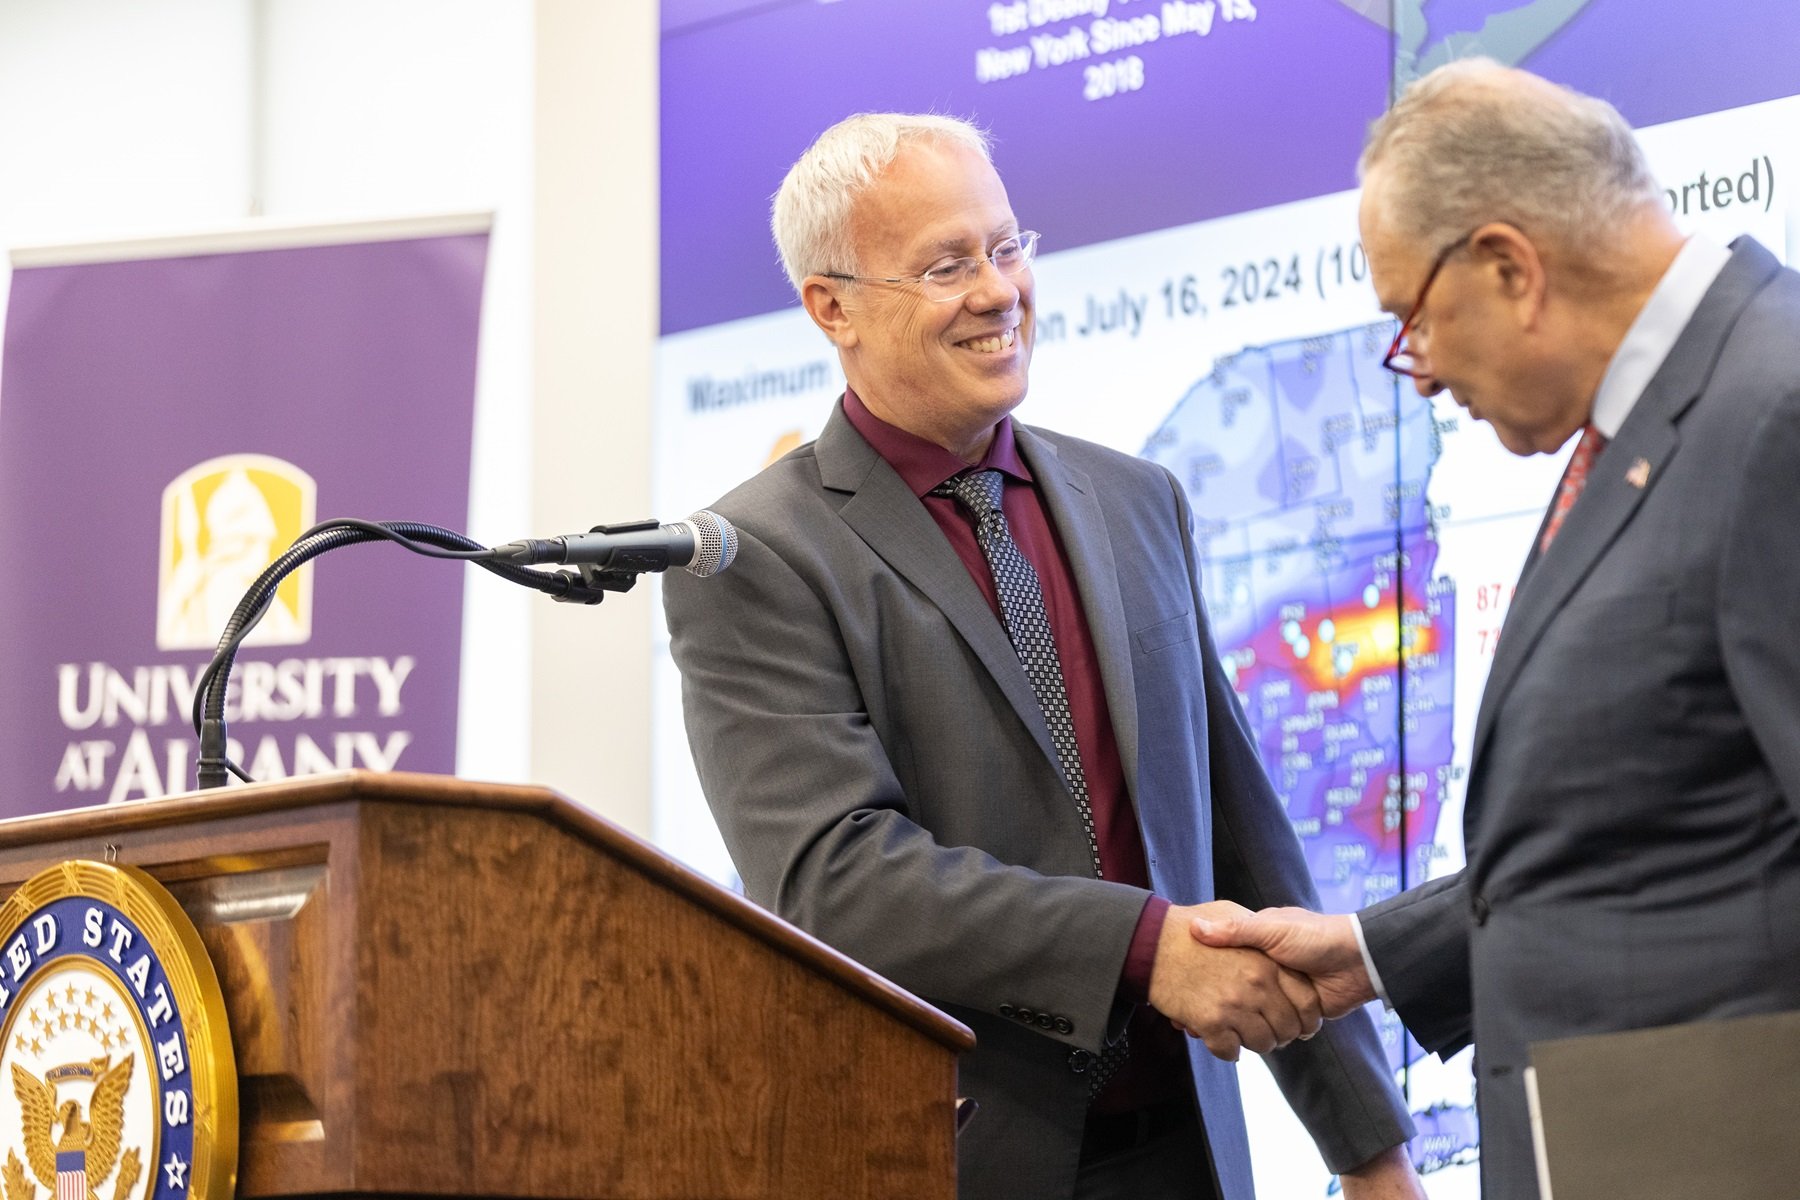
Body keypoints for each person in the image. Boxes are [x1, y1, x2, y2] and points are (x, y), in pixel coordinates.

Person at [663, 113, 1423, 1200]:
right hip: (949, 1161)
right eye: (945, 264)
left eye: (1007, 247)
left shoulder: (1137, 500)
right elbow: (836, 878)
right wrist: (1146, 946)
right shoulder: (752, 557)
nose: (995, 290)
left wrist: (1367, 1146)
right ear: (831, 307)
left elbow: (1239, 832)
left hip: (1190, 1158)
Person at [1191, 59, 1800, 1200]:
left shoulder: (1776, 411)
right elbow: (1656, 838)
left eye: (1408, 322)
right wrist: (1372, 955)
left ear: (1510, 266)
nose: (1415, 375)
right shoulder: (1650, 431)